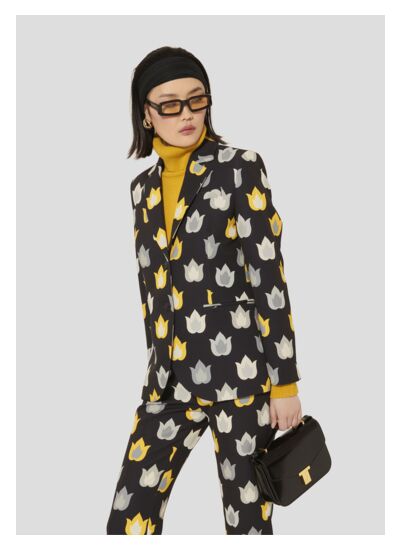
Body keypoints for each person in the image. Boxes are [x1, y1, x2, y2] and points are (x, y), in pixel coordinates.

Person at [106, 46, 303, 535]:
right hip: (168, 381)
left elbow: (269, 277)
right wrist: (157, 365)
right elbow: (153, 289)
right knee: (128, 520)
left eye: (197, 100)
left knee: (247, 524)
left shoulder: (240, 168)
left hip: (241, 379)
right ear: (146, 114)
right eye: (170, 105)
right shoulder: (141, 190)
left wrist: (284, 384)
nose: (187, 114)